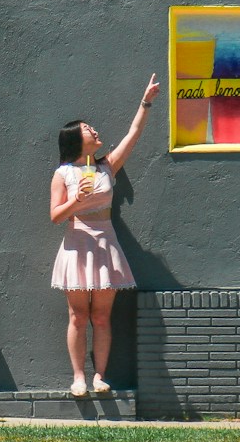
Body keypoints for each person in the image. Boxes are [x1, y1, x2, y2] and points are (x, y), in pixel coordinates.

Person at [50, 74, 159, 398]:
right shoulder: (63, 173)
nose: (95, 131)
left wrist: (146, 101)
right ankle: (78, 377)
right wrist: (76, 201)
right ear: (74, 139)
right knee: (77, 315)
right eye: (87, 129)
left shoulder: (106, 167)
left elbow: (133, 134)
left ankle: (100, 376)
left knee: (101, 316)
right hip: (77, 244)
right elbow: (55, 216)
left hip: (106, 244)